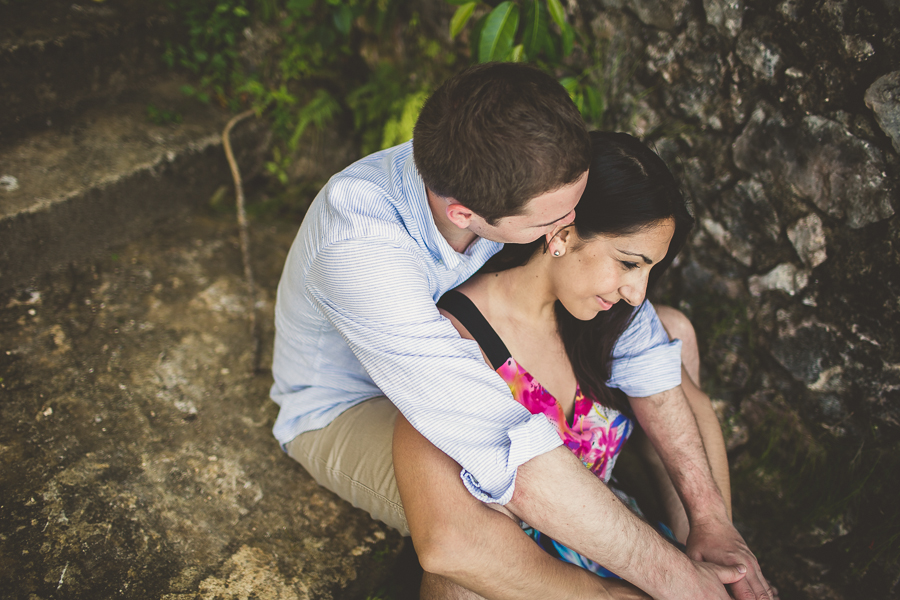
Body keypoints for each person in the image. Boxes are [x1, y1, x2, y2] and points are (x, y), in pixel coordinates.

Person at [270, 62, 773, 599]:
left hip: (455, 363)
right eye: (548, 225)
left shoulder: (518, 174)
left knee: (670, 333)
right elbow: (498, 444)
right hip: (354, 404)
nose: (563, 232)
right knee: (474, 516)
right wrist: (671, 583)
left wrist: (711, 521)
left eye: (575, 210)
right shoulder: (362, 250)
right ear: (464, 213)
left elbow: (641, 339)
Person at [396, 131, 741, 598]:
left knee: (674, 330)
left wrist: (716, 540)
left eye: (648, 271)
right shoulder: (456, 342)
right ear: (560, 233)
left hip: (623, 550)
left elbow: (682, 408)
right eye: (628, 263)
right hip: (538, 579)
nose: (638, 293)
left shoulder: (603, 321)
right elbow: (450, 543)